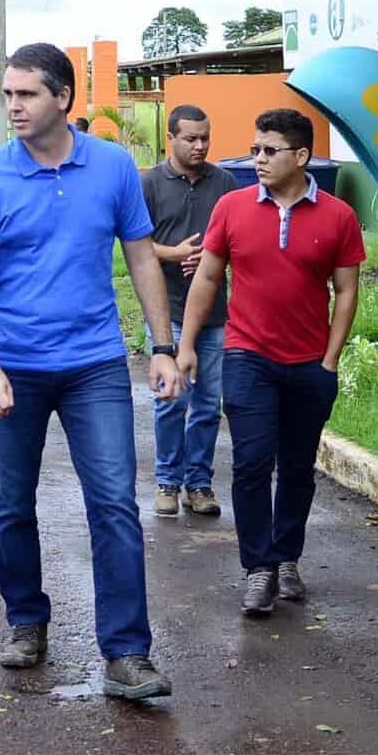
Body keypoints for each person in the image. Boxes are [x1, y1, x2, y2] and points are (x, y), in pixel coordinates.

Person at [0, 42, 181, 701]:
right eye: (9, 95)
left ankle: (127, 652)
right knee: (10, 503)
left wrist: (161, 345)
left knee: (113, 502)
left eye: (26, 94)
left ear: (62, 97)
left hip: (94, 365)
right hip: (14, 367)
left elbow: (141, 258)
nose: (13, 106)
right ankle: (26, 619)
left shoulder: (113, 166)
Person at [179, 109, 364, 617]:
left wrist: (330, 359)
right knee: (252, 463)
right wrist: (186, 344)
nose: (257, 159)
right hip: (248, 356)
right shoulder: (232, 207)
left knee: (298, 468)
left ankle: (287, 559)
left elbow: (347, 291)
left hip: (309, 364)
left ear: (301, 156)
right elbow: (209, 277)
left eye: (269, 150)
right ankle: (259, 567)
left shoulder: (338, 216)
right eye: (254, 150)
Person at [140, 103, 238, 517]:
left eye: (205, 138)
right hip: (167, 310)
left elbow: (238, 239)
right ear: (171, 139)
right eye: (190, 139)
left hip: (214, 314)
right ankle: (167, 479)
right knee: (171, 400)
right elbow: (135, 246)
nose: (200, 146)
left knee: (208, 404)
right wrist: (174, 253)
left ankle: (199, 483)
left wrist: (212, 259)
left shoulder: (225, 182)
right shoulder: (149, 183)